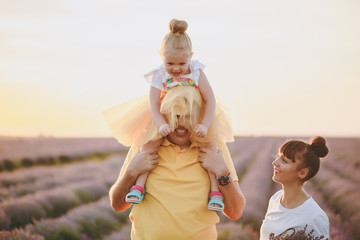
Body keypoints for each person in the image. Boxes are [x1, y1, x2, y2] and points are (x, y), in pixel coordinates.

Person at [103, 19, 233, 211]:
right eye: (170, 63)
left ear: (191, 56)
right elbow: (154, 104)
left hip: (195, 116)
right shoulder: (159, 75)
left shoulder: (196, 71)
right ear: (161, 56)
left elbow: (210, 100)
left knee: (211, 150)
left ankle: (215, 192)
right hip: (164, 116)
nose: (176, 69)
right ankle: (138, 186)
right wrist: (161, 124)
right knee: (149, 148)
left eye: (182, 63)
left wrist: (205, 125)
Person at [109, 85, 246, 239]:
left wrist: (222, 171)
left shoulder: (213, 148)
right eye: (175, 116)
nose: (181, 124)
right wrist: (132, 171)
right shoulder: (145, 146)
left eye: (189, 116)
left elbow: (235, 212)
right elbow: (117, 204)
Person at [260, 136, 330, 240]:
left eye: (284, 160)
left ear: (302, 173)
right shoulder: (275, 199)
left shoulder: (315, 217)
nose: (274, 163)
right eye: (278, 156)